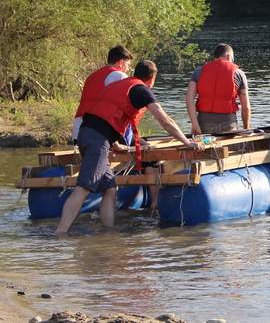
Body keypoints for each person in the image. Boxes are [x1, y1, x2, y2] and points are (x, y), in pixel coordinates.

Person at [55, 61, 203, 235]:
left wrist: (117, 144)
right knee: (84, 188)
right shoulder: (141, 90)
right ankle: (60, 234)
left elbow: (104, 116)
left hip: (87, 134)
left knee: (110, 188)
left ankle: (107, 233)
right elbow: (165, 121)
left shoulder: (120, 85)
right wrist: (187, 143)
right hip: (97, 141)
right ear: (152, 79)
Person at [72, 46, 133, 144]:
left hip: (78, 131)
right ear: (121, 63)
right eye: (128, 65)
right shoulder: (120, 76)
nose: (128, 69)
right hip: (98, 133)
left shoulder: (91, 76)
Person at [186, 43, 250, 135]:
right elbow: (246, 107)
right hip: (228, 123)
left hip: (204, 122)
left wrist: (195, 124)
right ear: (228, 56)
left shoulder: (199, 71)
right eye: (233, 59)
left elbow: (189, 100)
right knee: (229, 148)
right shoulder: (239, 73)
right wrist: (246, 129)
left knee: (204, 148)